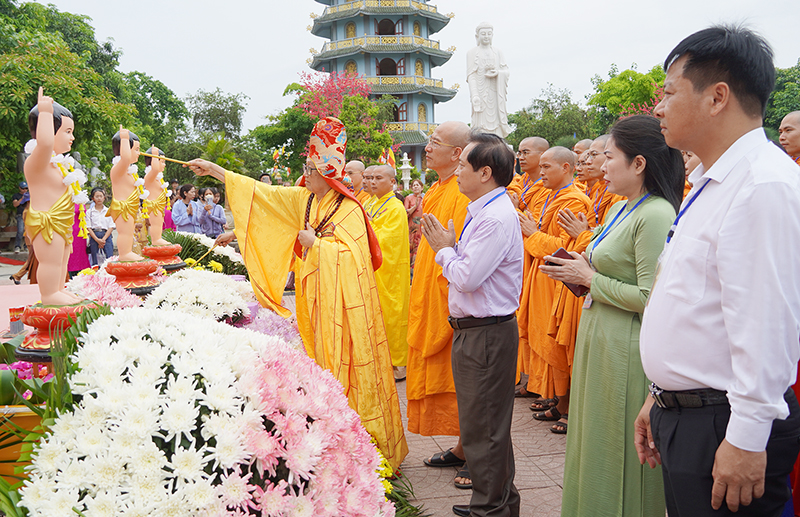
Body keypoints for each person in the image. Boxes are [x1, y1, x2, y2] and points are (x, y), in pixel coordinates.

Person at [634, 26, 800, 516]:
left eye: (668, 92)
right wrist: (660, 396)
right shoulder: (712, 180)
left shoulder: (762, 185)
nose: (658, 108)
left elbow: (767, 324)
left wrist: (747, 437)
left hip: (724, 422)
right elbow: (693, 304)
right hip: (691, 413)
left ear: (717, 97)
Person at [187, 117, 408, 470]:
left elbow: (356, 258)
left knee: (346, 368)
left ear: (326, 171)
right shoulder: (307, 200)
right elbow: (264, 197)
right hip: (316, 300)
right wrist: (216, 172)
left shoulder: (349, 208)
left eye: (310, 167)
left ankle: (363, 450)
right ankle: (327, 436)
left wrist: (317, 245)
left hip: (347, 311)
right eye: (306, 167)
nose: (305, 174)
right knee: (321, 363)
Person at [541, 115, 683, 516]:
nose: (601, 166)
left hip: (626, 348)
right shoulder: (624, 208)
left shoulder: (655, 213)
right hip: (601, 336)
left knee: (619, 452)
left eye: (610, 156)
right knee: (595, 442)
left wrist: (589, 277)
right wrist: (580, 269)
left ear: (639, 163)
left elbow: (651, 296)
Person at [421, 132, 523, 517]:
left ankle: (490, 509)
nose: (457, 172)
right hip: (479, 331)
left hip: (486, 333)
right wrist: (451, 247)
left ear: (484, 172)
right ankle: (497, 502)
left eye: (462, 165)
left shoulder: (495, 218)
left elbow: (466, 278)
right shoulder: (482, 210)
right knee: (486, 426)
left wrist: (444, 249)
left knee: (485, 429)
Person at [406, 121, 472, 488]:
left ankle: (473, 450)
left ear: (457, 153)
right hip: (431, 290)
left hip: (452, 298)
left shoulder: (463, 194)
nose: (427, 148)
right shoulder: (438, 188)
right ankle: (463, 447)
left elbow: (462, 250)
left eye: (434, 142)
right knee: (448, 377)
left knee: (461, 380)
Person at [517, 147, 591, 424]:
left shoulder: (574, 201)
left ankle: (568, 403)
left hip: (559, 279)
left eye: (548, 167)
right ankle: (559, 400)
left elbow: (567, 247)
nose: (542, 172)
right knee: (544, 338)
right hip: (543, 276)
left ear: (566, 168)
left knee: (559, 342)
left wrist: (534, 235)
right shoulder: (550, 196)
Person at [23, 88, 82, 305]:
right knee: (50, 261)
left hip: (62, 222)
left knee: (61, 259)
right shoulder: (36, 161)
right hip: (47, 222)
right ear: (46, 130)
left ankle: (58, 289)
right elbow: (46, 143)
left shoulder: (59, 165)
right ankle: (49, 294)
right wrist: (46, 112)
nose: (72, 137)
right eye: (67, 131)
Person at [370, 164, 411, 381]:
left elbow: (385, 239)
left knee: (393, 315)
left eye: (378, 178)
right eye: (371, 178)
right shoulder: (374, 203)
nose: (373, 182)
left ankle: (398, 364)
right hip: (376, 271)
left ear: (392, 182)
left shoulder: (395, 208)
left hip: (391, 271)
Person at [467, 22, 511, 138]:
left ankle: (497, 138)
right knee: (480, 120)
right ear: (477, 36)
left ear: (492, 35)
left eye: (489, 34)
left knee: (495, 117)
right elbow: (471, 75)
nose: (486, 36)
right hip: (480, 92)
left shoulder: (498, 52)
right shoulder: (471, 53)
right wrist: (475, 95)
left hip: (495, 92)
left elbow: (506, 71)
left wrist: (498, 73)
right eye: (483, 34)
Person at [108, 128, 144, 262]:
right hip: (123, 207)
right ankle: (124, 253)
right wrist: (124, 138)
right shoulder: (118, 169)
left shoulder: (129, 172)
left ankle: (127, 251)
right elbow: (125, 158)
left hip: (130, 208)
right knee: (125, 232)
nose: (139, 153)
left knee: (129, 232)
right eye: (136, 149)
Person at [143, 146, 171, 246]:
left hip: (159, 205)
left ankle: (158, 238)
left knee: (159, 223)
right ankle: (156, 239)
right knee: (155, 223)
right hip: (153, 204)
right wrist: (154, 154)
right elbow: (155, 169)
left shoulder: (158, 178)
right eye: (162, 161)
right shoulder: (150, 176)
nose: (164, 164)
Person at [86, 188, 115, 266]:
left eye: (101, 196)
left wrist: (103, 240)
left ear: (104, 198)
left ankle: (109, 276)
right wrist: (97, 240)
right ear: (93, 198)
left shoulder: (109, 211)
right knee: (95, 261)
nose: (99, 198)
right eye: (97, 196)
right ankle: (96, 277)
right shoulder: (89, 212)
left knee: (109, 259)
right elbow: (88, 227)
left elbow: (111, 226)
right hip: (94, 236)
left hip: (106, 236)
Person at [404, 178, 424, 273]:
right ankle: (409, 273)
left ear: (422, 187)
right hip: (412, 227)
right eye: (414, 185)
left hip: (422, 228)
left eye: (417, 185)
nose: (415, 187)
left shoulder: (425, 198)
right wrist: (414, 206)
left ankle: (417, 271)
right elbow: (405, 213)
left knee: (420, 248)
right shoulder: (408, 198)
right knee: (410, 248)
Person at [11, 181, 29, 253]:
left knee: (28, 231)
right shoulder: (16, 196)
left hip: (28, 215)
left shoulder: (30, 195)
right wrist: (22, 198)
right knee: (20, 231)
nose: (24, 190)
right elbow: (15, 204)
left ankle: (26, 246)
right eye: (23, 189)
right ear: (19, 188)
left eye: (26, 188)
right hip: (20, 215)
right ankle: (17, 246)